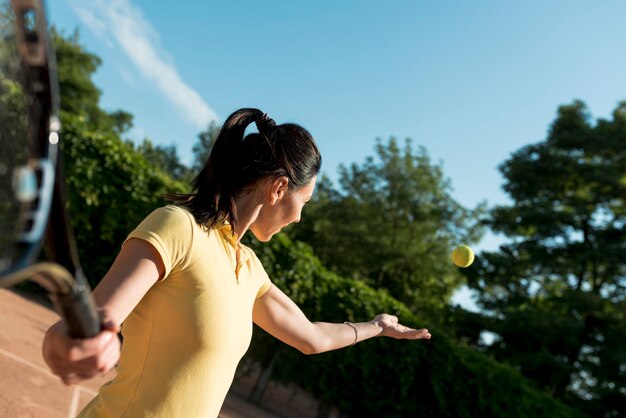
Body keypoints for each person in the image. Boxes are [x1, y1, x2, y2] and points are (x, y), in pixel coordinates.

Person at [42, 108, 432, 417]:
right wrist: (71, 346)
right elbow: (86, 325)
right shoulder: (178, 228)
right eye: (304, 204)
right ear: (280, 188)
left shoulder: (248, 269)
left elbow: (312, 337)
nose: (299, 218)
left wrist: (377, 327)